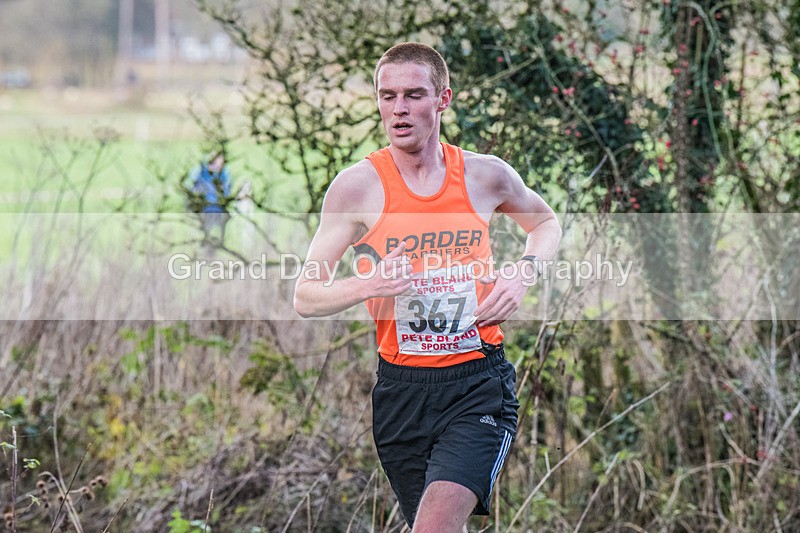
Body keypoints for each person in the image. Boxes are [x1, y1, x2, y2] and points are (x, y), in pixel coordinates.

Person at [294, 42, 561, 532]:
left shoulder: (486, 175)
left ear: (443, 99)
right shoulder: (356, 187)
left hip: (477, 385)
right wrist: (369, 283)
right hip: (401, 392)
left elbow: (545, 223)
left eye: (414, 95)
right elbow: (306, 296)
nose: (399, 108)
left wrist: (522, 273)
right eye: (387, 96)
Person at [187, 151, 232, 246]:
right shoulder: (201, 171)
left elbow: (228, 190)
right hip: (205, 209)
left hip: (218, 210)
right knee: (207, 230)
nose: (219, 166)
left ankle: (217, 244)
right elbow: (191, 184)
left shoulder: (224, 174)